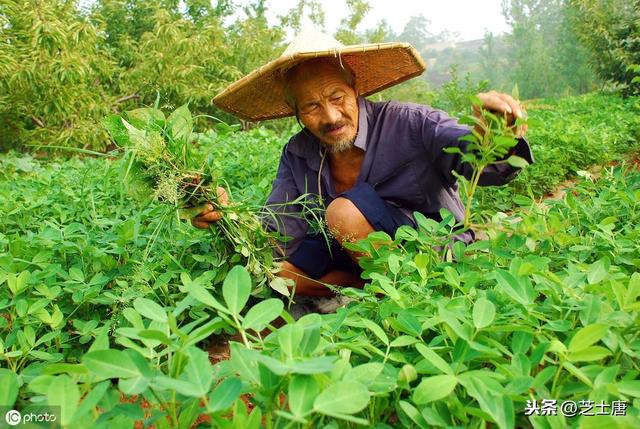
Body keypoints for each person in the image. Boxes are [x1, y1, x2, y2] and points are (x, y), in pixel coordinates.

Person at [194, 29, 533, 300]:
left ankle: (404, 297)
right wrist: (229, 217)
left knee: (342, 212)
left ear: (354, 87)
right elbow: (280, 229)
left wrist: (495, 132)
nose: (330, 117)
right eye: (311, 107)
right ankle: (351, 290)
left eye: (337, 97)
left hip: (426, 250)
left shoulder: (411, 122)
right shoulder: (298, 152)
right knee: (278, 272)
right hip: (350, 250)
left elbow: (476, 159)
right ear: (295, 113)